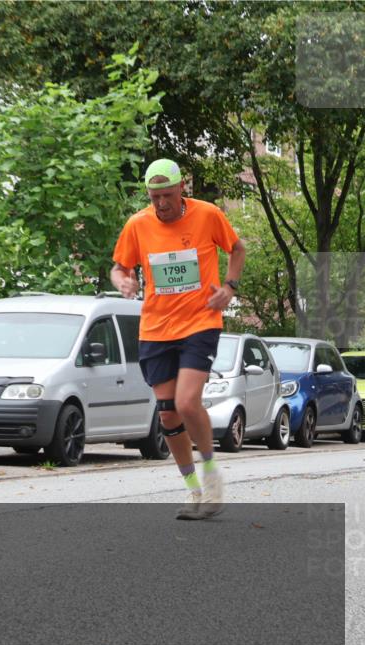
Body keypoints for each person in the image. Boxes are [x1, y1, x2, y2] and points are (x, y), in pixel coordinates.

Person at [110, 159, 245, 520]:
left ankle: (212, 473)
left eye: (167, 195)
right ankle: (193, 490)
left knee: (187, 403)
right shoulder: (138, 224)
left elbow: (237, 248)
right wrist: (122, 281)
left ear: (182, 188)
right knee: (167, 414)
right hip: (156, 329)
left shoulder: (207, 214)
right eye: (154, 197)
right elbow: (119, 266)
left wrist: (229, 288)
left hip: (200, 321)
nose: (161, 204)